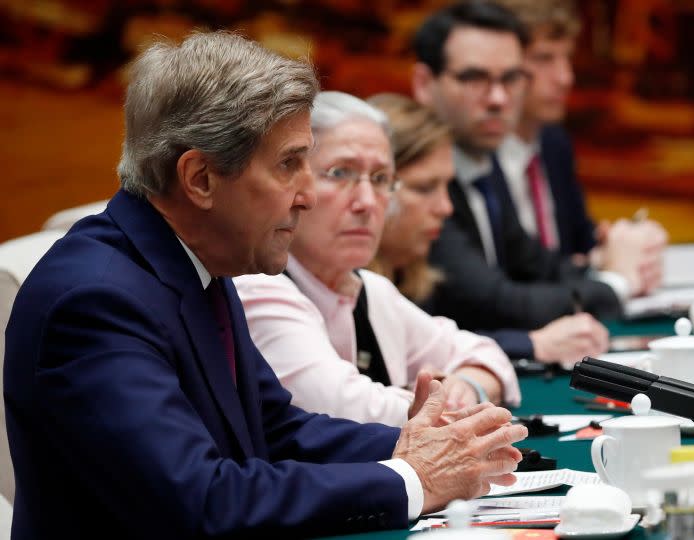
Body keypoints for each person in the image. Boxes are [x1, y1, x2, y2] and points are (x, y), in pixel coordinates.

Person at [3, 32, 526, 539]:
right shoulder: (97, 302)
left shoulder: (195, 261)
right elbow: (200, 499)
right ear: (201, 179)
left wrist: (423, 447)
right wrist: (414, 477)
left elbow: (274, 431)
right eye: (289, 165)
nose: (308, 195)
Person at [234, 91, 521, 426]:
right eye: (341, 173)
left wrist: (468, 385)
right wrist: (451, 407)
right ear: (291, 180)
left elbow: (486, 354)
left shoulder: (370, 290)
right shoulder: (256, 286)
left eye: (381, 179)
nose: (367, 202)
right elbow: (341, 407)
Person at [411, 0, 651, 333]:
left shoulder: (479, 163)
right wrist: (615, 283)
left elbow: (536, 264)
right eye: (474, 78)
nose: (498, 99)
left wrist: (607, 260)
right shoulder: (414, 174)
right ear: (424, 84)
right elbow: (496, 302)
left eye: (510, 78)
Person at [368, 92, 608, 364]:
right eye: (425, 188)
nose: (446, 208)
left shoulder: (413, 272)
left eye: (447, 186)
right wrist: (532, 344)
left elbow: (444, 343)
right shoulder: (351, 286)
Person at [495, 0, 668, 267]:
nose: (565, 77)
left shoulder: (554, 144)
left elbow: (580, 243)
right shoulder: (475, 161)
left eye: (567, 58)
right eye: (544, 59)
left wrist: (617, 243)